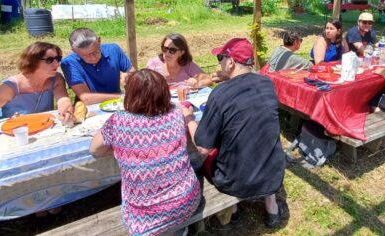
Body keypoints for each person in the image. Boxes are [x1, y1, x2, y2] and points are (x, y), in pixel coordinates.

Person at [182, 38, 287, 228]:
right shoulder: (267, 84)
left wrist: (189, 118)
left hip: (235, 181)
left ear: (230, 62)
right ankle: (272, 208)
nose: (219, 62)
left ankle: (234, 210)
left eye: (221, 58)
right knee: (258, 140)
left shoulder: (220, 93)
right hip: (273, 172)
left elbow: (203, 147)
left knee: (203, 159)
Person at [89, 69, 201, 236]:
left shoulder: (119, 121)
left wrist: (122, 146)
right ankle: (178, 230)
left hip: (145, 218)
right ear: (165, 93)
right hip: (187, 200)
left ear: (130, 95)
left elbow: (95, 150)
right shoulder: (177, 114)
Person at [0, 42, 73, 138]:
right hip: (12, 134)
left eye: (58, 58)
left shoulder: (56, 79)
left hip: (44, 130)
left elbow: (63, 99)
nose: (57, 63)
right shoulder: (11, 86)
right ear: (33, 61)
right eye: (49, 60)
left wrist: (66, 111)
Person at [61, 28, 135, 105]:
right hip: (89, 108)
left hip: (116, 104)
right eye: (86, 55)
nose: (93, 58)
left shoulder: (113, 49)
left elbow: (133, 72)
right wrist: (122, 97)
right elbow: (86, 98)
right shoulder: (69, 63)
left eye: (95, 51)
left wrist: (129, 75)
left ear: (99, 41)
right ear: (74, 51)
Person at [146, 33, 212, 89]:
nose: (167, 53)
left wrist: (196, 84)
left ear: (182, 52)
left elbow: (208, 80)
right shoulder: (154, 64)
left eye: (172, 50)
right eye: (165, 49)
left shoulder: (187, 65)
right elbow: (142, 85)